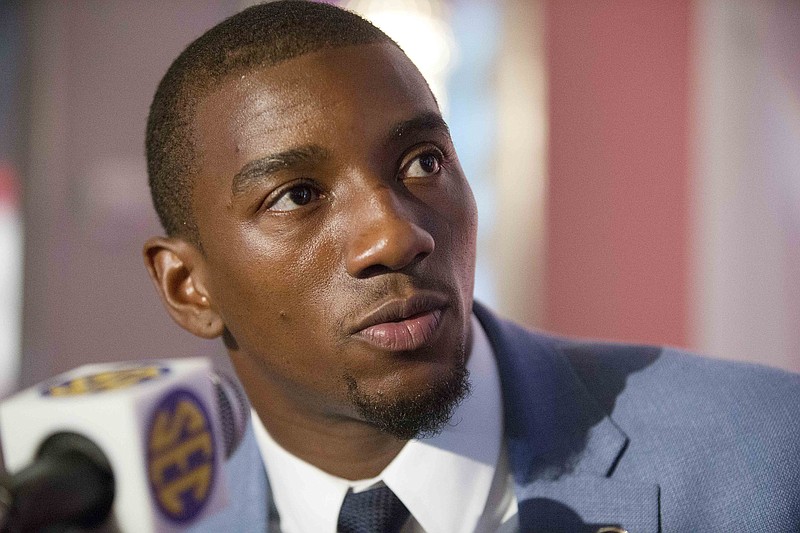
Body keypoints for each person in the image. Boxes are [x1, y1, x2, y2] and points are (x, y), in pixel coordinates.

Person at [142, 1, 800, 531]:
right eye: (299, 196)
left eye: (423, 161)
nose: (397, 236)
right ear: (188, 287)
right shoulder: (147, 522)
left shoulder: (768, 453)